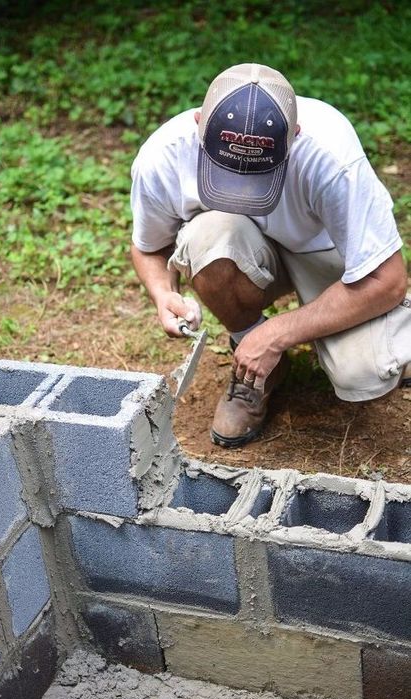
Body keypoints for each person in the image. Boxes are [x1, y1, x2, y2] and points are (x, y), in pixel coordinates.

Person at [130, 63, 411, 448]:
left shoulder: (330, 155)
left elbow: (389, 279)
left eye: (257, 177)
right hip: (243, 251)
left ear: (294, 136)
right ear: (198, 124)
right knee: (209, 236)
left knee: (362, 374)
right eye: (226, 173)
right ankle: (260, 370)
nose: (242, 192)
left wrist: (276, 333)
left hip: (326, 255)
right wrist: (164, 294)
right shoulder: (163, 156)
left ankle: (393, 332)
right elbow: (149, 247)